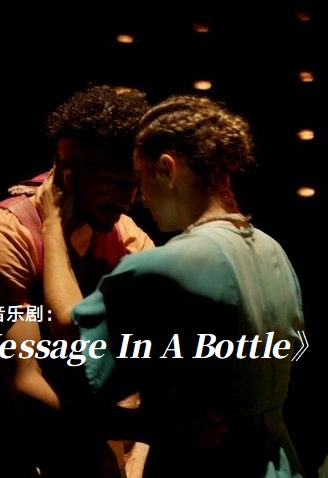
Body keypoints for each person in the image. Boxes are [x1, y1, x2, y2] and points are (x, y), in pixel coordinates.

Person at [37, 94, 305, 477]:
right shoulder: (271, 248)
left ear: (167, 169)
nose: (137, 198)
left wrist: (51, 226)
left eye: (139, 178)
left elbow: (70, 330)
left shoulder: (170, 263)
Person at [0, 84, 154, 478]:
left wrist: (136, 452)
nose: (129, 197)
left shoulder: (129, 239)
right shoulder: (4, 239)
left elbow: (139, 364)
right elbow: (24, 382)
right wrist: (148, 429)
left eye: (134, 182)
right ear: (68, 168)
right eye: (115, 180)